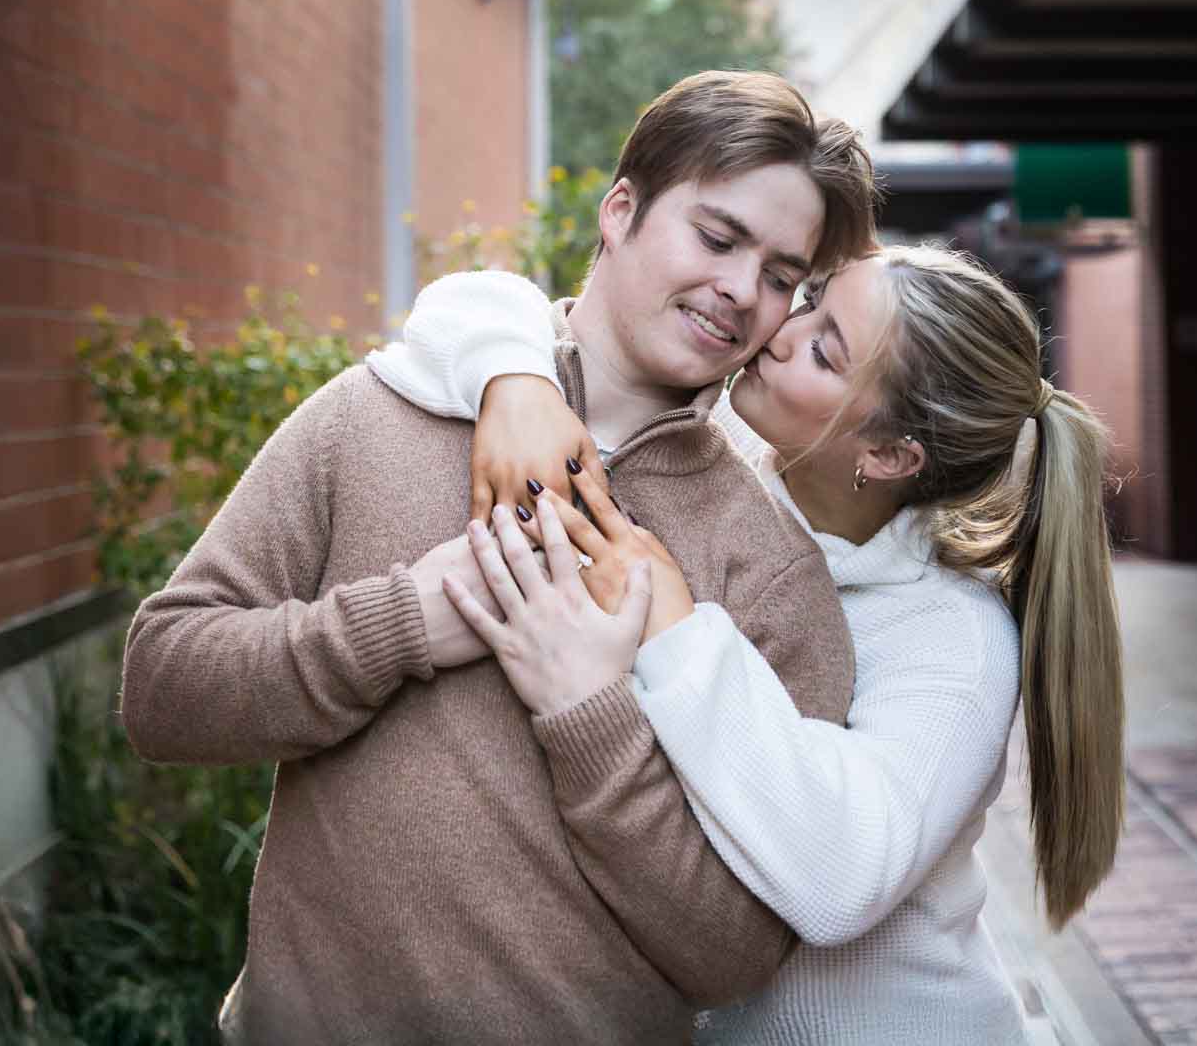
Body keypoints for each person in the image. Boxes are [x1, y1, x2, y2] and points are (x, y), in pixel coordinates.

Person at [119, 71, 880, 1045]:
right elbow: (161, 687)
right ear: (621, 210)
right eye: (718, 236)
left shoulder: (768, 564)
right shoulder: (381, 409)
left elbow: (737, 951)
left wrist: (590, 719)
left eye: (781, 274)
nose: (741, 290)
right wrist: (400, 622)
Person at [404, 243, 1126, 1045]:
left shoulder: (952, 639)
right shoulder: (723, 472)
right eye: (811, 300)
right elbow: (466, 307)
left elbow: (843, 876)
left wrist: (677, 629)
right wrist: (517, 384)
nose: (780, 329)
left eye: (823, 349)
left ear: (887, 455)